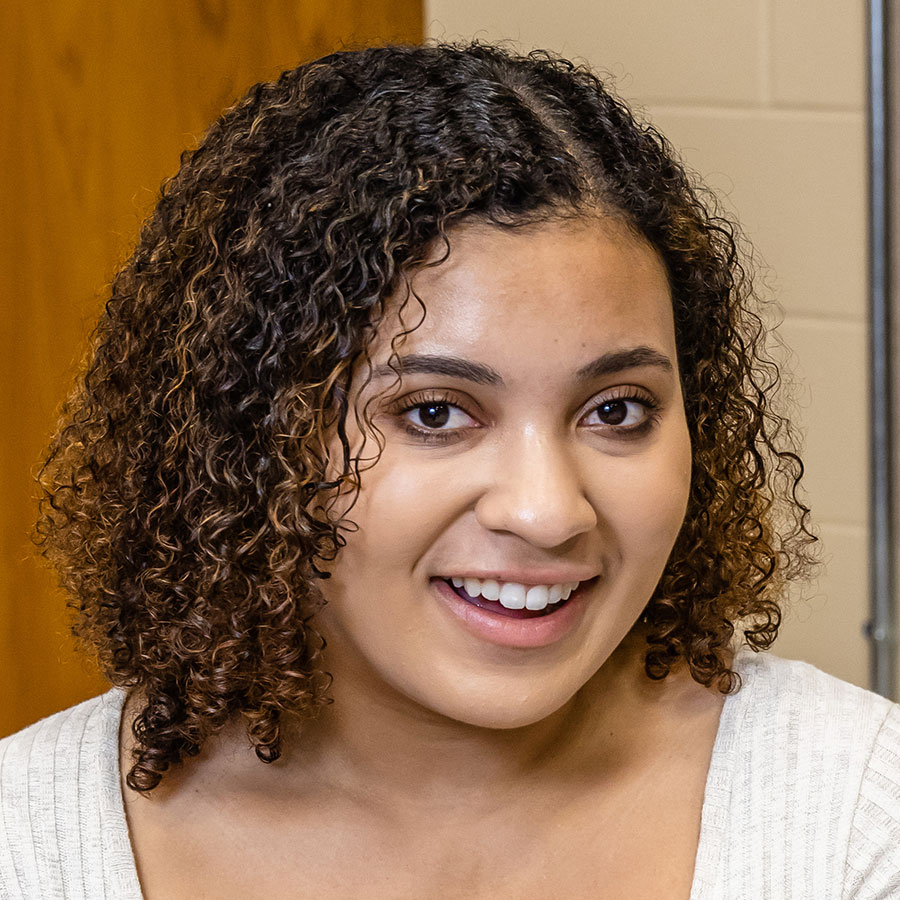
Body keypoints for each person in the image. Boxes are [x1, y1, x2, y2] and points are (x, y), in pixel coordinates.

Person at [1, 41, 898, 899]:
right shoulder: (30, 846)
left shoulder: (859, 819)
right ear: (252, 436)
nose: (549, 513)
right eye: (435, 413)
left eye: (616, 411)